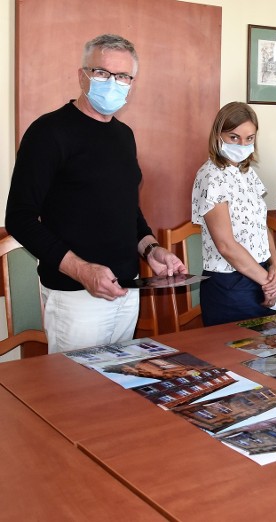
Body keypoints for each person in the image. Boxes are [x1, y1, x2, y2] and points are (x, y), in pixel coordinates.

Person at [5, 34, 185, 353]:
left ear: (132, 82)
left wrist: (152, 249)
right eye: (102, 73)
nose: (113, 83)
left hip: (128, 291)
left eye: (123, 76)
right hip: (77, 297)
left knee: (117, 391)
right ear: (82, 75)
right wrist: (82, 270)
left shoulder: (124, 136)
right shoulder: (48, 132)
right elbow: (19, 218)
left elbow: (129, 213)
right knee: (74, 397)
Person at [191, 102, 276, 326]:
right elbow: (226, 246)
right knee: (236, 356)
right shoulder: (211, 176)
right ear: (218, 135)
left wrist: (275, 267)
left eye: (249, 138)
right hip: (229, 285)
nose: (242, 144)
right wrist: (267, 282)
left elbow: (262, 226)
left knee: (269, 355)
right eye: (234, 137)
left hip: (260, 276)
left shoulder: (247, 173)